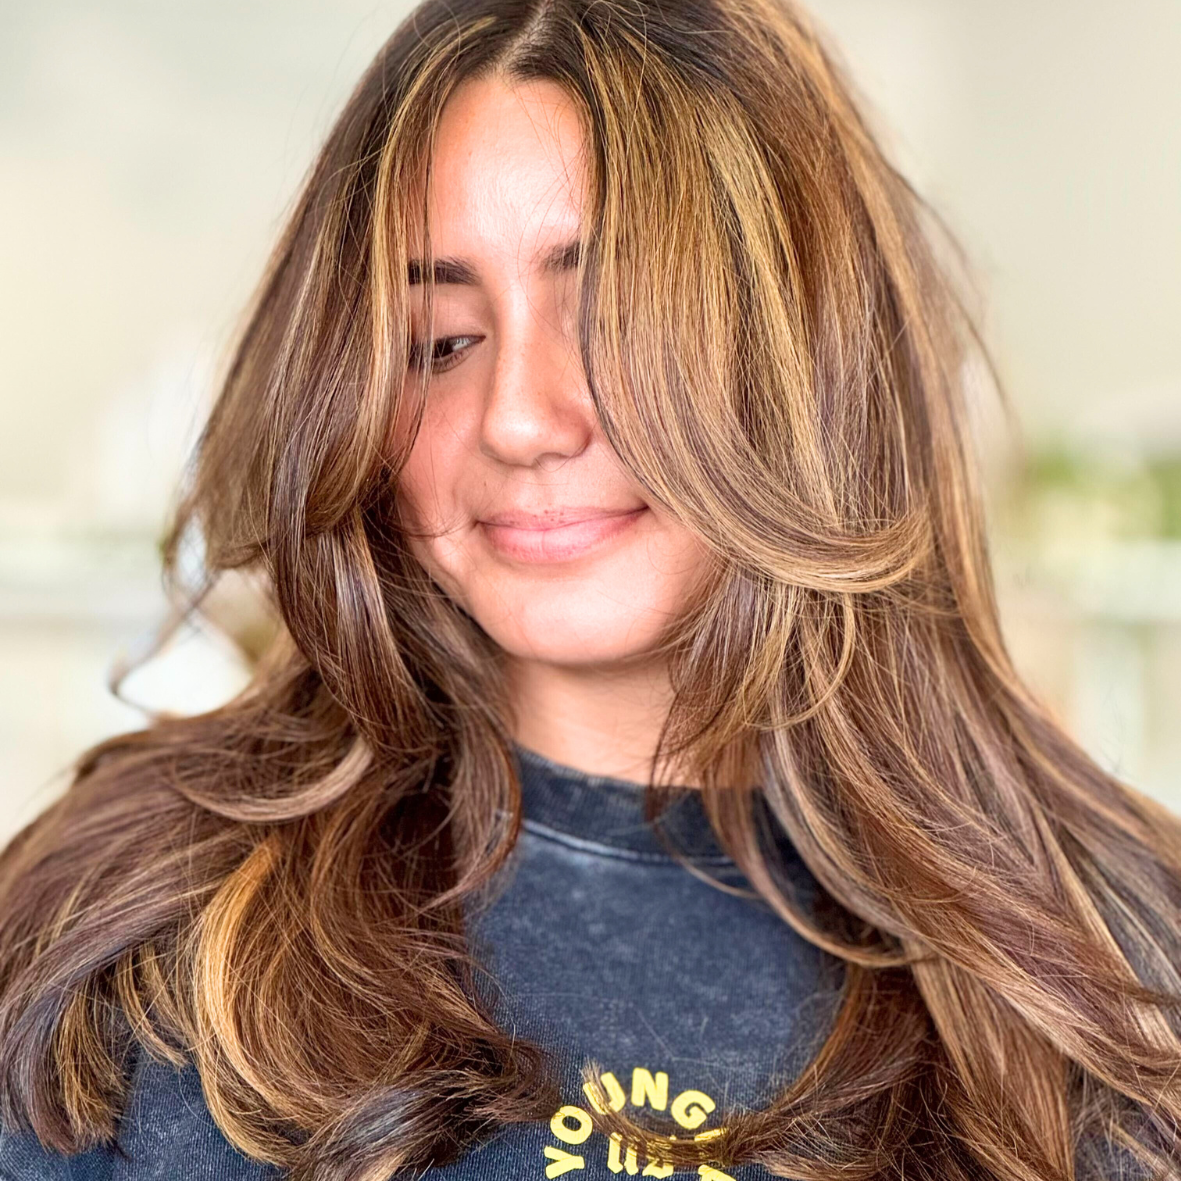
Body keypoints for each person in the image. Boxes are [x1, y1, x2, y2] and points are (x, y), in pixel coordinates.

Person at [2, 0, 1179, 1178]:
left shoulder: (1118, 965)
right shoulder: (127, 913)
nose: (518, 419)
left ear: (813, 356)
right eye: (439, 341)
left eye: (613, 313)